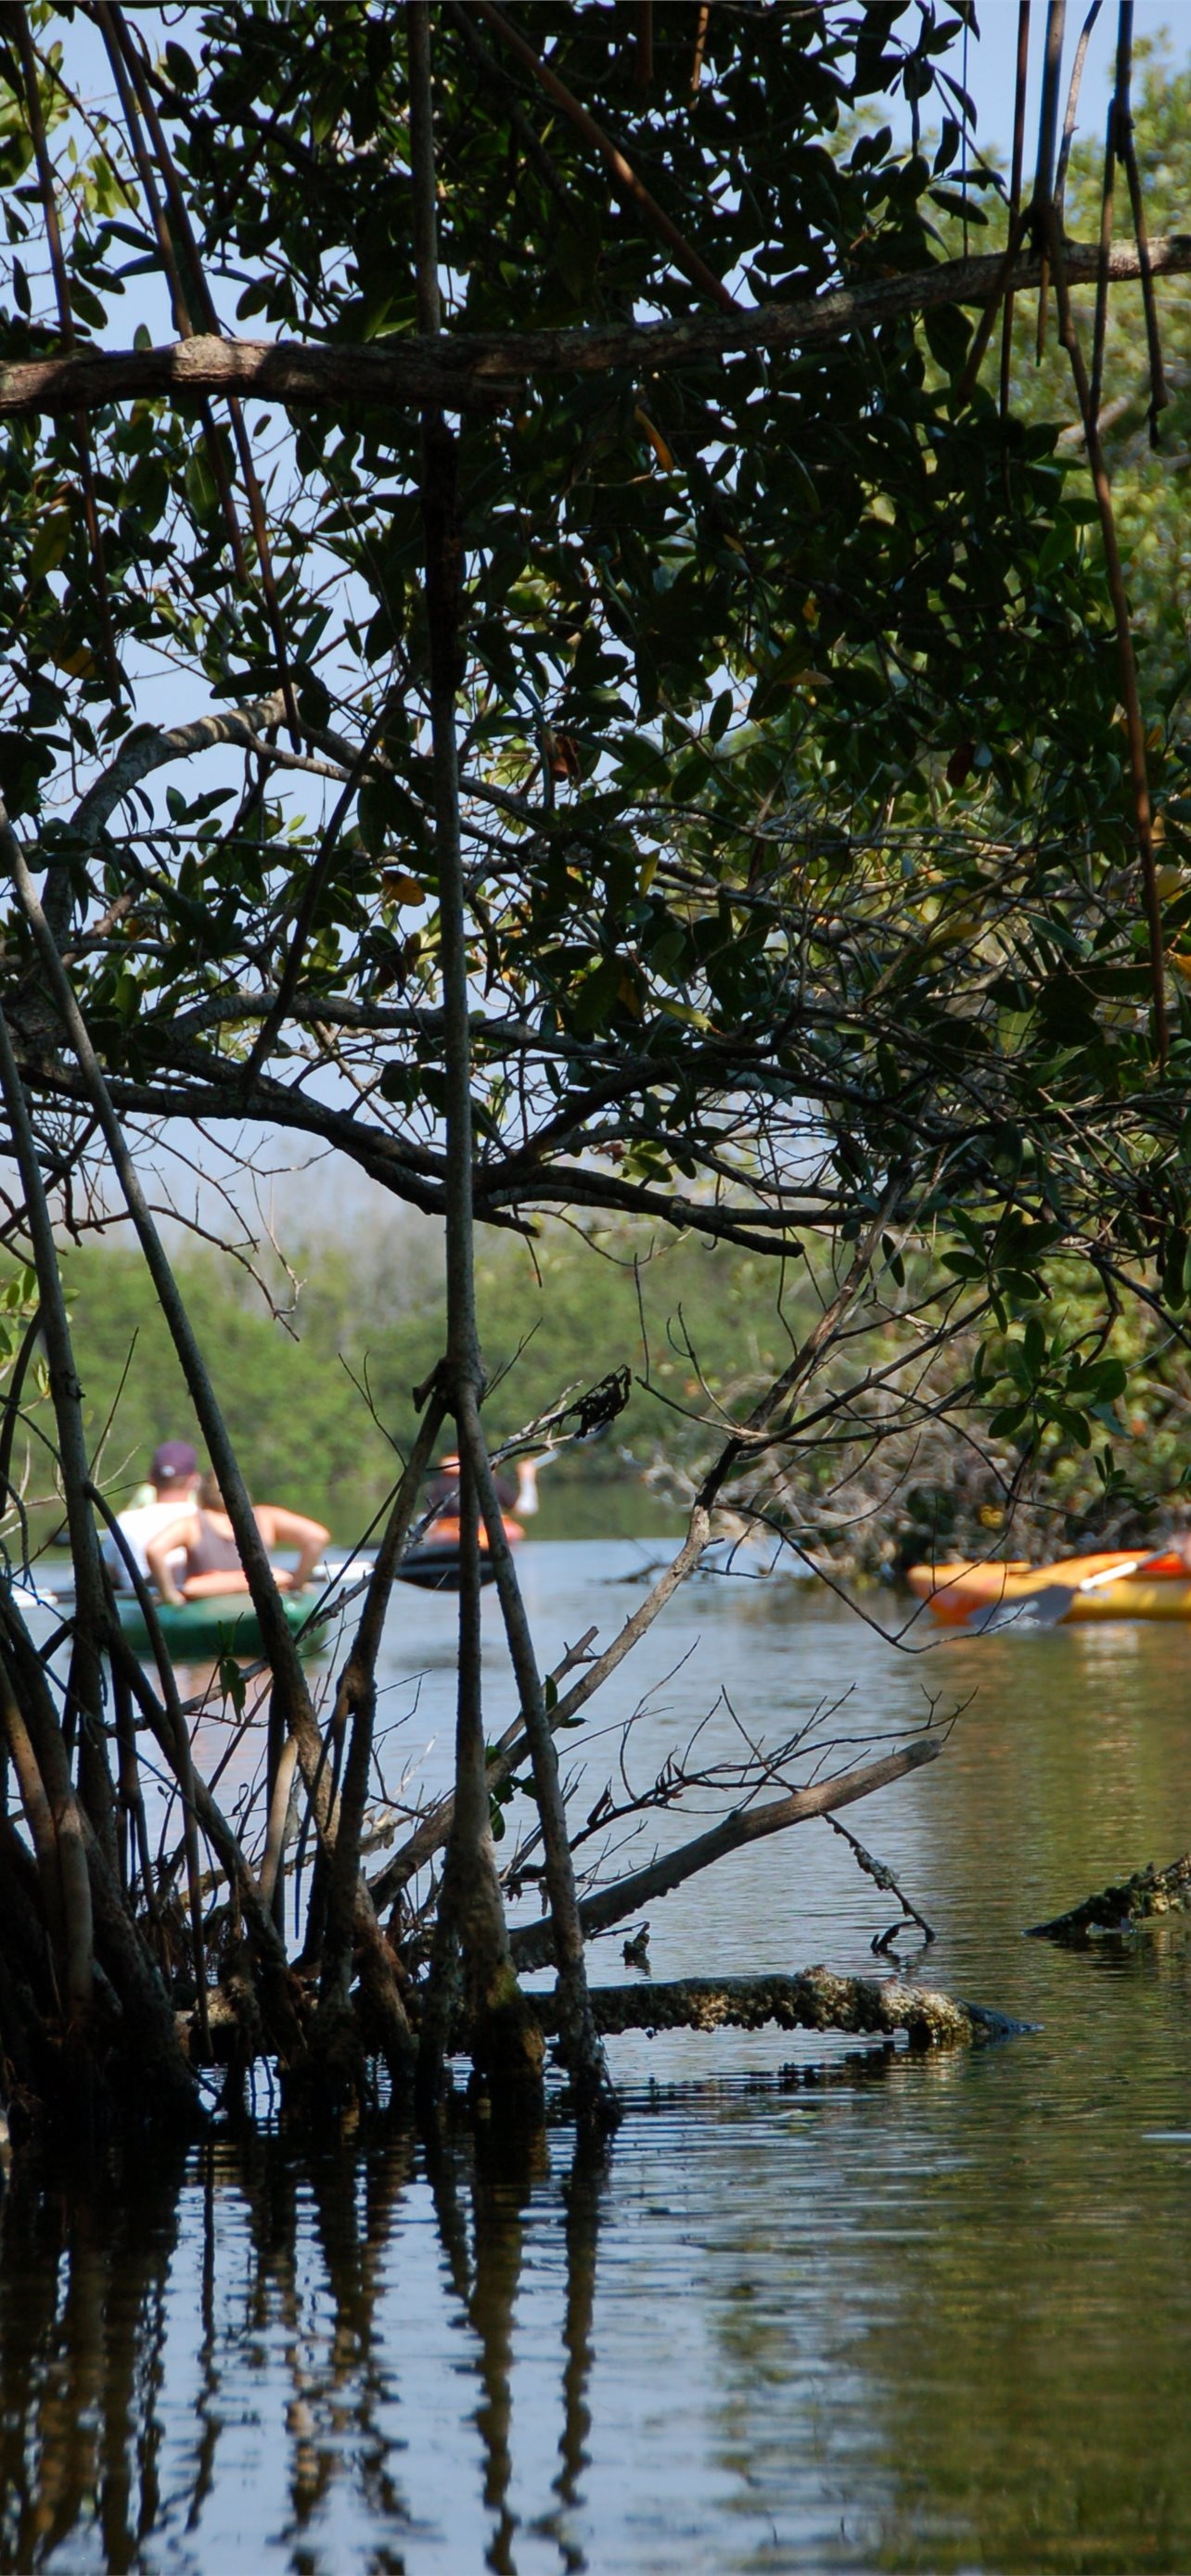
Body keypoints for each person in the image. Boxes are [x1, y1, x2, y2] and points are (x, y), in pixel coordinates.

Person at [145, 1471, 329, 1607]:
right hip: (254, 1593)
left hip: (208, 1599)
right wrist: (297, 1582)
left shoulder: (191, 1525)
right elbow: (317, 1537)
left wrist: (169, 1595)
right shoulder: (266, 1517)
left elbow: (154, 1550)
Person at [102, 1440, 200, 1592]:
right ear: (194, 1480)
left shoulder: (125, 1521)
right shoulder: (205, 1519)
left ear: (151, 1478)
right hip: (195, 1603)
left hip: (142, 1609)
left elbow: (107, 1572)